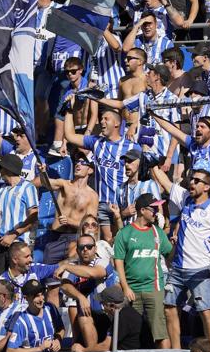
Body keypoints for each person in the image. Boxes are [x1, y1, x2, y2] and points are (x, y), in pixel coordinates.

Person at [155, 168, 210, 349]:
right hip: (178, 269)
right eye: (191, 179)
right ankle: (176, 350)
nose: (191, 183)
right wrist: (154, 164)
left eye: (196, 181)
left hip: (199, 270)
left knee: (206, 312)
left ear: (207, 187)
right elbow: (165, 183)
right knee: (170, 308)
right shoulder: (186, 200)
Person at [64, 99, 140, 243]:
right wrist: (67, 110)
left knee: (125, 240)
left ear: (117, 123)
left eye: (106, 119)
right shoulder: (96, 142)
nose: (102, 122)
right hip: (102, 204)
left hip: (122, 203)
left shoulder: (132, 147)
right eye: (101, 119)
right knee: (109, 241)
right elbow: (70, 136)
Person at [113, 193, 172, 349]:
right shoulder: (125, 233)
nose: (156, 212)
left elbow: (169, 255)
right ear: (142, 210)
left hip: (154, 288)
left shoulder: (157, 232)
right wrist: (125, 287)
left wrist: (177, 244)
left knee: (160, 331)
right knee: (135, 332)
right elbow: (118, 261)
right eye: (153, 209)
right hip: (132, 290)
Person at [56, 233, 119, 351]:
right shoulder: (74, 266)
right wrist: (80, 297)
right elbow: (64, 285)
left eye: (89, 247)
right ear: (78, 250)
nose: (85, 250)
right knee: (84, 315)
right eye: (81, 247)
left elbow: (93, 273)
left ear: (95, 248)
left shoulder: (102, 262)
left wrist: (66, 266)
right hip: (89, 315)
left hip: (108, 314)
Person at [0, 154, 39, 278]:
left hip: (18, 244)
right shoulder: (1, 190)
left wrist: (13, 234)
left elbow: (33, 217)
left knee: (18, 280)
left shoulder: (27, 188)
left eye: (1, 167)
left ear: (7, 168)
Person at [40, 157, 99, 264]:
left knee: (69, 273)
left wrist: (69, 221)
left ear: (90, 170)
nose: (78, 165)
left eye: (82, 163)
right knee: (48, 273)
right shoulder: (64, 184)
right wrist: (42, 172)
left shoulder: (92, 195)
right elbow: (46, 183)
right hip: (56, 236)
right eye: (77, 162)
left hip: (75, 238)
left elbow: (91, 226)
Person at [71, 284, 145, 352]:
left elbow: (105, 347)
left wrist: (83, 350)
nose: (102, 307)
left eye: (103, 304)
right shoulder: (130, 312)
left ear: (112, 306)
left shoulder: (121, 317)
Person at [5, 280, 65, 352]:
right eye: (36, 296)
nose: (41, 299)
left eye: (42, 294)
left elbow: (61, 329)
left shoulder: (50, 309)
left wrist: (57, 340)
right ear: (26, 298)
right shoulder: (22, 321)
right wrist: (39, 348)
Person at [0, 242, 59, 307]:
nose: (31, 259)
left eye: (30, 255)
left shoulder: (35, 269)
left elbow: (59, 268)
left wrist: (66, 266)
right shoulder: (1, 283)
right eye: (27, 257)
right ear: (15, 260)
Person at [116, 149, 162, 226]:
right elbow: (115, 217)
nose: (126, 164)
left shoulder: (150, 184)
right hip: (126, 234)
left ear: (140, 162)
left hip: (144, 234)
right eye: (126, 161)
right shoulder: (120, 188)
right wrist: (124, 213)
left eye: (130, 161)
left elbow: (159, 210)